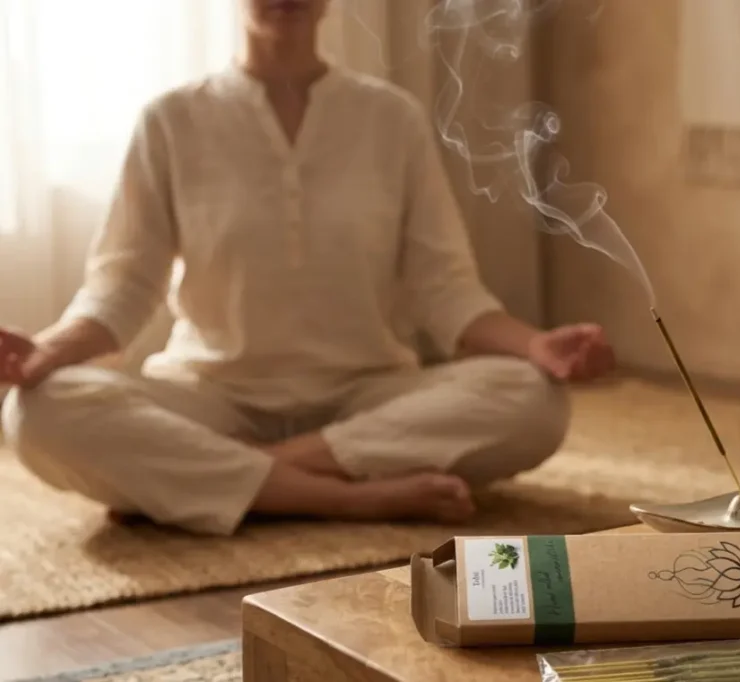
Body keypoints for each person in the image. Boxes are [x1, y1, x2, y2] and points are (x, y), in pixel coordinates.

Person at [0, 0, 615, 536]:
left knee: (534, 399)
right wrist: (46, 353)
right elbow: (124, 285)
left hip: (366, 396)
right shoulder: (171, 120)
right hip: (211, 395)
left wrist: (538, 346)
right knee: (38, 411)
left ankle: (235, 476)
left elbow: (446, 289)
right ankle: (346, 498)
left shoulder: (390, 118)